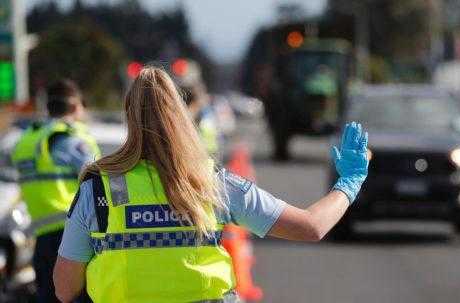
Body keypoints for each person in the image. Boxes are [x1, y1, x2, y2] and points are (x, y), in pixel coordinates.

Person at [53, 67, 369, 303]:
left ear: (128, 117)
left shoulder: (98, 190)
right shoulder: (212, 183)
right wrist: (350, 182)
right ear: (181, 116)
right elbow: (311, 226)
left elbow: (65, 290)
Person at [11, 79, 100, 302]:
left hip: (42, 236)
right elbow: (100, 180)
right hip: (72, 234)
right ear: (75, 106)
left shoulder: (29, 140)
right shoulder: (68, 139)